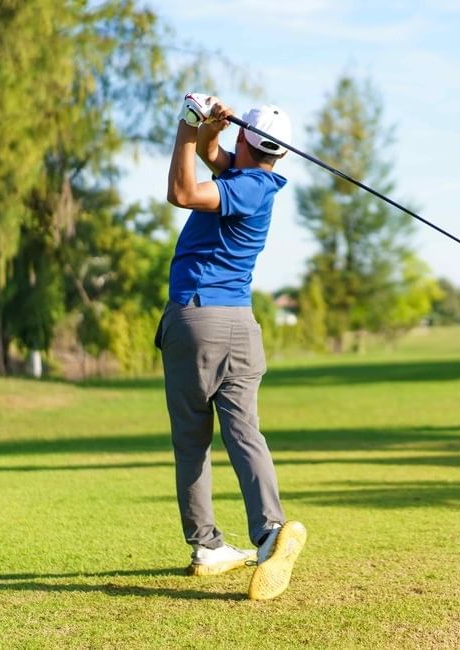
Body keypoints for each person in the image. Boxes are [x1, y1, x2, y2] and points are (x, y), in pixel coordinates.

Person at [155, 92, 306, 601]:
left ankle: (207, 546)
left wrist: (185, 124)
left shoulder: (243, 187)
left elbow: (180, 191)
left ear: (248, 139)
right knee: (245, 433)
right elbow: (211, 156)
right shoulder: (258, 180)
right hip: (242, 326)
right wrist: (210, 129)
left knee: (192, 441)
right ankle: (268, 533)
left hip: (199, 319)